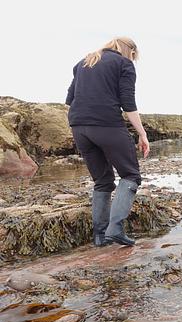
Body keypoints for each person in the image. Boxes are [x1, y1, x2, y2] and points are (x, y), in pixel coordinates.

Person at [66, 37, 150, 247]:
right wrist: (142, 134)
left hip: (78, 127)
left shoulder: (84, 62)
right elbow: (128, 103)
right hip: (107, 125)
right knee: (130, 175)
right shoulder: (124, 64)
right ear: (130, 51)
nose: (133, 59)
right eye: (134, 56)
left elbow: (70, 99)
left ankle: (100, 235)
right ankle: (115, 229)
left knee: (102, 180)